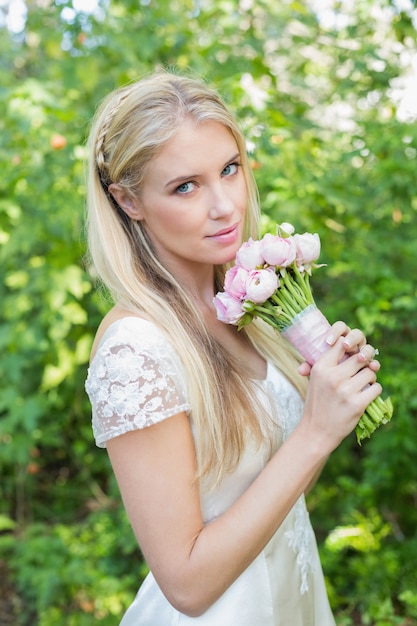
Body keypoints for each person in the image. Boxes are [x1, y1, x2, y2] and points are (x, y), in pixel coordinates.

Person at [84, 70, 382, 626]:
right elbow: (188, 587)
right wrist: (315, 432)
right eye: (185, 186)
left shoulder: (239, 306)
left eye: (229, 168)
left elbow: (275, 491)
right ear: (129, 201)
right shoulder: (136, 346)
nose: (225, 206)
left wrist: (329, 397)